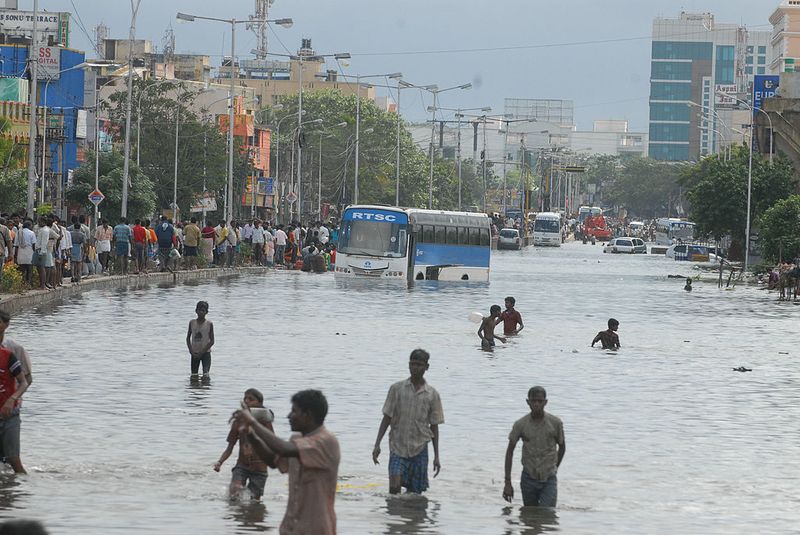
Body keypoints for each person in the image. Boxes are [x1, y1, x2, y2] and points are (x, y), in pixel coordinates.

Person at [232, 389, 340, 535]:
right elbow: (273, 460)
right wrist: (251, 434)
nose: (289, 416)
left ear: (307, 415)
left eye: (294, 412)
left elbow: (283, 449)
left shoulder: (326, 441)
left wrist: (253, 422)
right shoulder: (297, 440)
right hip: (291, 527)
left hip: (316, 528)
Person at [373, 349, 444, 495]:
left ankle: (409, 516)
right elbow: (387, 417)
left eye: (419, 364)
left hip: (419, 448)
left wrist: (437, 456)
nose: (415, 368)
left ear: (426, 367)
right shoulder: (397, 389)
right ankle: (394, 517)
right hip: (397, 447)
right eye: (413, 364)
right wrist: (377, 444)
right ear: (408, 365)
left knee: (415, 494)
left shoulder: (432, 395)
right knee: (394, 488)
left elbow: (434, 426)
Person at [503, 386, 565, 507]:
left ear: (545, 402)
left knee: (547, 514)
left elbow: (562, 447)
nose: (536, 404)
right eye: (534, 401)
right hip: (528, 478)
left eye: (540, 401)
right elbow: (510, 451)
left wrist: (555, 467)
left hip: (549, 478)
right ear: (528, 402)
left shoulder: (555, 423)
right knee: (529, 516)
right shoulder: (520, 424)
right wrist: (507, 483)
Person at [214, 388, 275, 500]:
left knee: (255, 501)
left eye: (251, 399)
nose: (247, 401)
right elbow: (230, 447)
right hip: (242, 465)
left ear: (260, 404)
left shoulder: (265, 422)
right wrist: (219, 462)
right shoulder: (238, 422)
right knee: (234, 491)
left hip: (260, 469)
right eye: (245, 398)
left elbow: (273, 442)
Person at [0, 310, 30, 474]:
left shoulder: (12, 351)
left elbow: (26, 380)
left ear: (6, 325)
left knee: (13, 459)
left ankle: (19, 492)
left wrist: (12, 399)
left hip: (9, 410)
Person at [186, 301, 215, 381]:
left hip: (206, 353)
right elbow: (188, 338)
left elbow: (212, 341)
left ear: (206, 312)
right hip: (194, 353)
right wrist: (191, 350)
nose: (201, 312)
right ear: (196, 311)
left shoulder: (209, 324)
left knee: (205, 375)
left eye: (203, 310)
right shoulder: (192, 323)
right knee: (194, 375)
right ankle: (194, 391)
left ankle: (204, 390)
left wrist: (202, 352)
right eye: (199, 310)